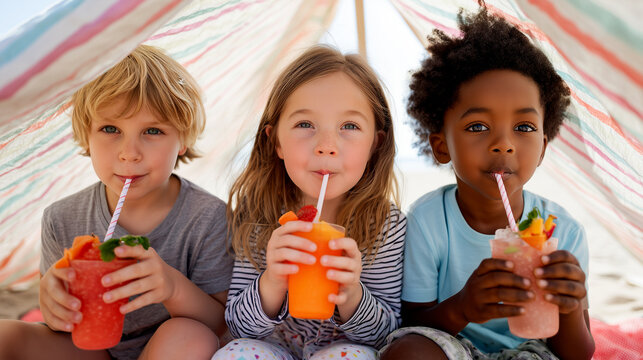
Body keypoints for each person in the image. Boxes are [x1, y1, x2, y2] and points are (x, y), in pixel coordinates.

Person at [380, 6, 594, 360]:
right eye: (477, 126)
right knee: (406, 353)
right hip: (454, 347)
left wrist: (569, 307)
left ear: (542, 148)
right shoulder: (429, 220)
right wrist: (463, 307)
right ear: (441, 146)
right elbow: (411, 324)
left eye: (524, 128)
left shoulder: (564, 233)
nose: (504, 143)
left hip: (533, 351)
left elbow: (578, 354)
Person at [0, 45, 234, 360]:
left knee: (190, 337)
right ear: (86, 135)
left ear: (183, 141)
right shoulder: (61, 219)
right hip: (92, 348)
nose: (129, 153)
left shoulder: (209, 218)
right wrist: (53, 304)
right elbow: (60, 327)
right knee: (8, 335)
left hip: (169, 349)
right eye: (110, 129)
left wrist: (172, 287)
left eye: (153, 130)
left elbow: (222, 324)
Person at [212, 45, 406, 360]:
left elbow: (385, 333)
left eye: (350, 127)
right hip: (271, 349)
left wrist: (352, 294)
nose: (326, 146)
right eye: (305, 125)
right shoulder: (256, 214)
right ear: (275, 141)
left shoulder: (387, 225)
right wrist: (272, 280)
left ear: (376, 144)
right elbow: (237, 325)